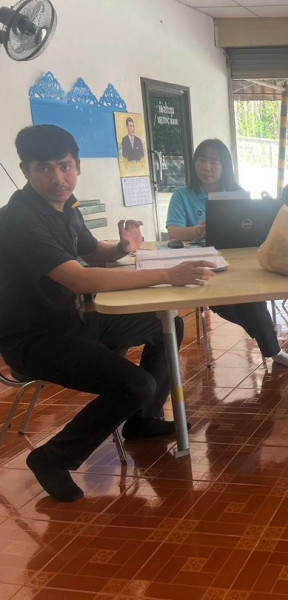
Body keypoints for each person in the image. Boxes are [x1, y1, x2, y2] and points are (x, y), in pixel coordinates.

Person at [0, 125, 217, 502]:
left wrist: (121, 247)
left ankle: (142, 420)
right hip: (33, 339)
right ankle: (53, 458)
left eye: (65, 166)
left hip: (73, 321)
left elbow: (89, 251)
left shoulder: (67, 206)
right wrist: (167, 274)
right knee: (135, 384)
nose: (58, 179)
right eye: (44, 169)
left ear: (78, 165)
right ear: (25, 171)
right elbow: (79, 278)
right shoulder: (18, 219)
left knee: (166, 323)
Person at [166, 138, 288, 369]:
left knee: (250, 296)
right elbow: (174, 231)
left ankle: (270, 342)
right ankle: (268, 337)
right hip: (202, 264)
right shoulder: (182, 195)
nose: (206, 167)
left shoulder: (236, 194)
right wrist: (196, 230)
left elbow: (249, 227)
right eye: (202, 159)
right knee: (225, 303)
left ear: (225, 167)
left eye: (214, 162)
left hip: (238, 261)